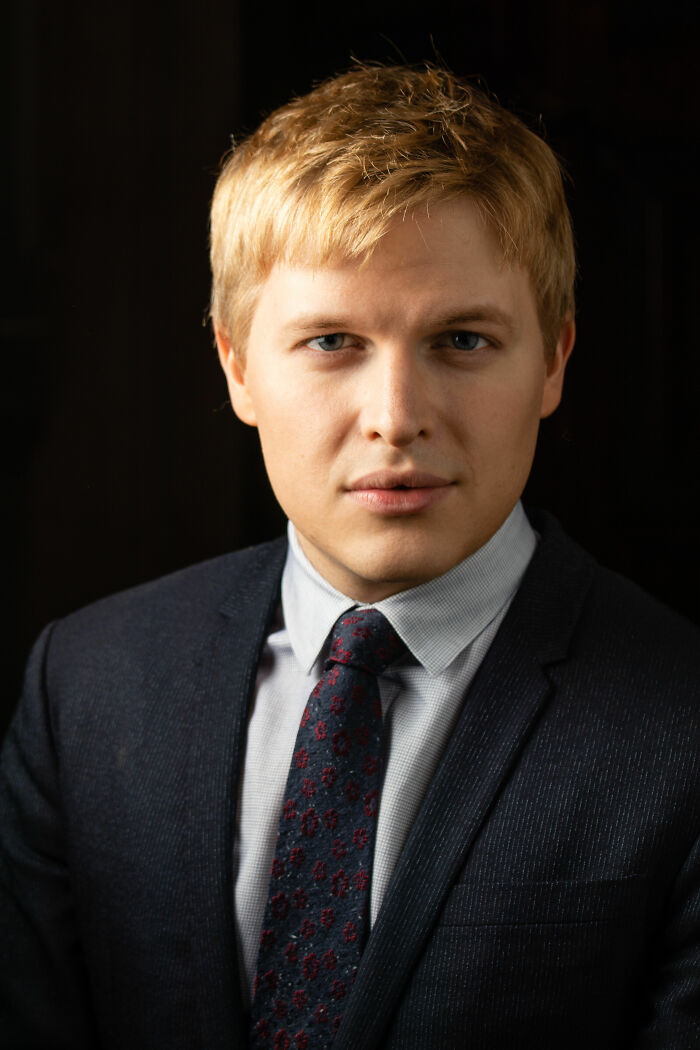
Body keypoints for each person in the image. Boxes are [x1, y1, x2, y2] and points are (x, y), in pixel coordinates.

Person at [2, 64, 699, 1050]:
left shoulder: (682, 725)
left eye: (461, 339)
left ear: (552, 360)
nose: (395, 419)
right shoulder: (86, 685)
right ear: (237, 364)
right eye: (332, 341)